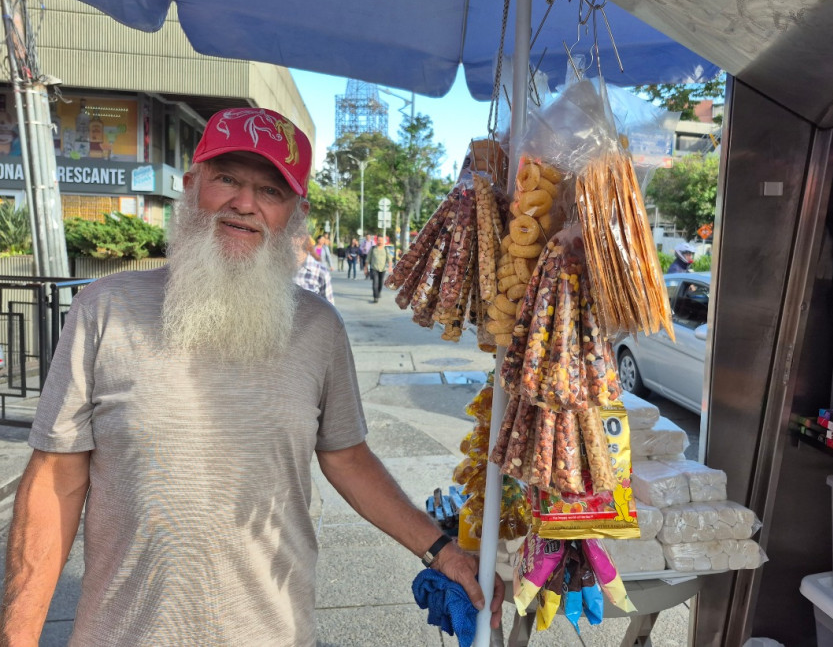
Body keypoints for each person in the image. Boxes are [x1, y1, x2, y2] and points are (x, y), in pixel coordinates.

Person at [0, 107, 503, 646]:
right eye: (227, 179)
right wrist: (20, 635)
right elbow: (56, 476)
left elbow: (347, 457)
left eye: (270, 190)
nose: (245, 204)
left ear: (295, 213)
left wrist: (442, 549)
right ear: (192, 186)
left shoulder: (318, 328)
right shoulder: (105, 308)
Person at [294, 233, 334, 303]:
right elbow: (312, 253)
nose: (322, 241)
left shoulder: (325, 248)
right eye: (321, 240)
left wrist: (331, 265)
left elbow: (328, 257)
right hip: (313, 263)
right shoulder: (315, 247)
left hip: (321, 264)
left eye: (323, 240)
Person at [368, 236, 392, 303]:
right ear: (377, 241)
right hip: (374, 268)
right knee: (375, 283)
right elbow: (368, 259)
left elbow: (389, 259)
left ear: (383, 241)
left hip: (383, 269)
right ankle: (375, 297)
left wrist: (390, 267)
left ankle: (378, 293)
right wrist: (365, 268)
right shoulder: (373, 248)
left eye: (381, 240)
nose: (380, 241)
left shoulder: (385, 249)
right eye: (379, 240)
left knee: (381, 283)